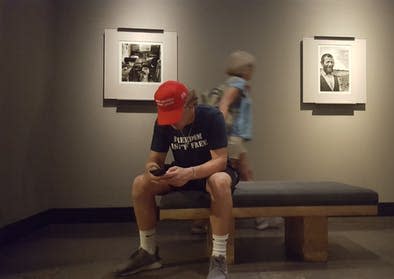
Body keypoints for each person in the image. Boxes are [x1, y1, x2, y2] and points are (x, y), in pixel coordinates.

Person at [115, 80, 239, 279]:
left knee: (220, 182)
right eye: (166, 116)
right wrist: (153, 170)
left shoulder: (211, 117)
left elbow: (220, 161)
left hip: (211, 172)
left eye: (175, 115)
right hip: (181, 171)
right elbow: (154, 160)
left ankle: (219, 259)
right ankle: (148, 252)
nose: (171, 122)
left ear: (190, 105)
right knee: (140, 184)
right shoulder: (163, 123)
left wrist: (189, 173)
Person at [217, 50, 281, 230]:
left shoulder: (234, 83)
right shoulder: (237, 82)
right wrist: (220, 133)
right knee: (244, 176)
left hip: (233, 138)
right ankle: (259, 218)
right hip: (233, 139)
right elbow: (224, 105)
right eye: (251, 67)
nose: (253, 71)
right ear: (245, 68)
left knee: (240, 176)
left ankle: (200, 223)